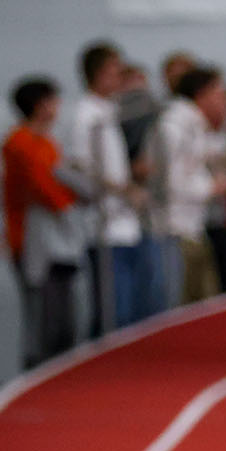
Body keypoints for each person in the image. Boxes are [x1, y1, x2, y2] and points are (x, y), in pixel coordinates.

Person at [1, 77, 88, 367]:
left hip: (59, 242)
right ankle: (36, 372)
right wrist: (73, 198)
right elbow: (47, 191)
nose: (58, 108)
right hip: (31, 243)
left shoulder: (47, 144)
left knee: (63, 318)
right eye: (53, 101)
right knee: (42, 321)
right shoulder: (19, 144)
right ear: (41, 106)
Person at [64, 40, 150, 332]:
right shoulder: (85, 115)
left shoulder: (110, 110)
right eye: (115, 72)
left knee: (132, 311)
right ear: (99, 74)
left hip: (125, 222)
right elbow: (80, 169)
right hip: (103, 226)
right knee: (114, 312)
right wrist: (123, 190)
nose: (119, 78)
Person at [151, 64, 226, 306]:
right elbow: (171, 181)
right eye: (219, 94)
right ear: (202, 94)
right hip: (175, 232)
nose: (224, 101)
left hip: (193, 228)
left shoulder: (195, 126)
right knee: (182, 306)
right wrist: (211, 187)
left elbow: (221, 152)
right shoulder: (174, 127)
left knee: (205, 305)